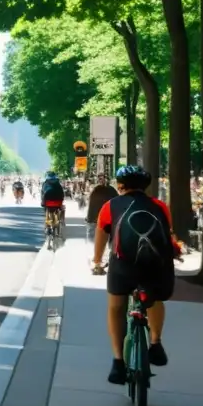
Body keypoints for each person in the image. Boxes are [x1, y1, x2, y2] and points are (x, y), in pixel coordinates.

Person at [93, 165, 181, 385]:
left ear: (120, 185)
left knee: (116, 306)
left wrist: (97, 262)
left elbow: (101, 239)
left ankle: (117, 362)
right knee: (156, 299)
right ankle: (156, 342)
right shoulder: (160, 206)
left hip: (123, 267)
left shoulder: (110, 206)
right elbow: (166, 234)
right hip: (155, 267)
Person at [86, 175, 118, 246]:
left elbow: (90, 207)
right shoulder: (112, 190)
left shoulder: (95, 190)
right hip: (109, 222)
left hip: (95, 221)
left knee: (92, 242)